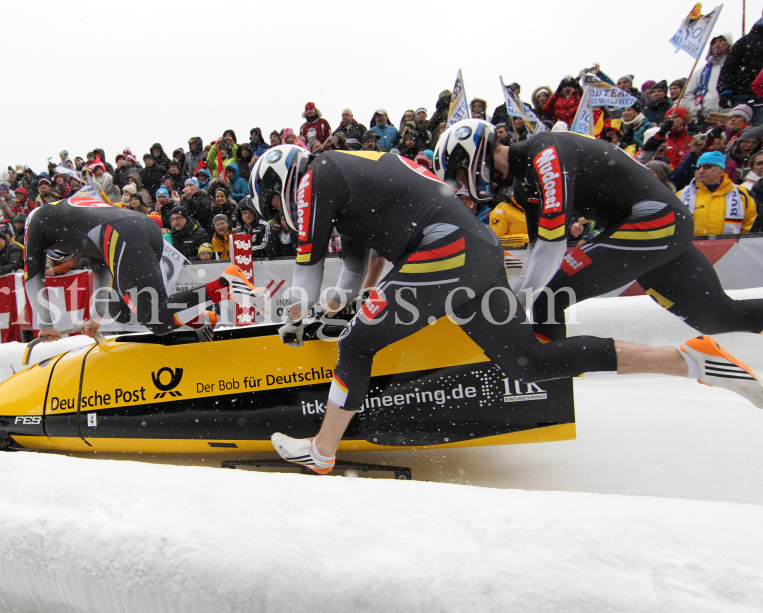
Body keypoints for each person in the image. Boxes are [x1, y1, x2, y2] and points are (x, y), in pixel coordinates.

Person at [250, 141, 763, 474]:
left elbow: (306, 271)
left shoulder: (318, 173)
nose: (280, 211)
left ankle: (321, 453)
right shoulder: (346, 186)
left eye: (274, 202)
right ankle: (689, 358)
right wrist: (331, 306)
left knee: (357, 344)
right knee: (527, 362)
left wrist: (294, 316)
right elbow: (347, 275)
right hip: (474, 249)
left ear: (282, 182)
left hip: (444, 248)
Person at [436, 118, 763, 354]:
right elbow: (540, 246)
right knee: (716, 315)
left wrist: (521, 298)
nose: (462, 184)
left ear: (474, 157)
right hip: (653, 224)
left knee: (550, 293)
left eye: (460, 174)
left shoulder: (544, 153)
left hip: (653, 220)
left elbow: (552, 245)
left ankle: (544, 380)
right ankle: (544, 371)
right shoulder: (524, 183)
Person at [22, 198, 267, 345]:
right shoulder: (73, 220)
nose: (67, 257)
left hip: (122, 233)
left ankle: (227, 283)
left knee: (158, 320)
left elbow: (33, 278)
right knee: (123, 312)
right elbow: (101, 273)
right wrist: (96, 318)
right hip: (139, 226)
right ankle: (200, 319)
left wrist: (45, 323)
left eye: (59, 253)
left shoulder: (37, 222)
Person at [676, 150, 757, 235]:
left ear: (721, 169)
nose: (701, 171)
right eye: (697, 167)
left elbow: (750, 225)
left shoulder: (741, 194)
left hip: (730, 247)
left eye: (707, 166)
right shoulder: (681, 195)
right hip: (692, 247)